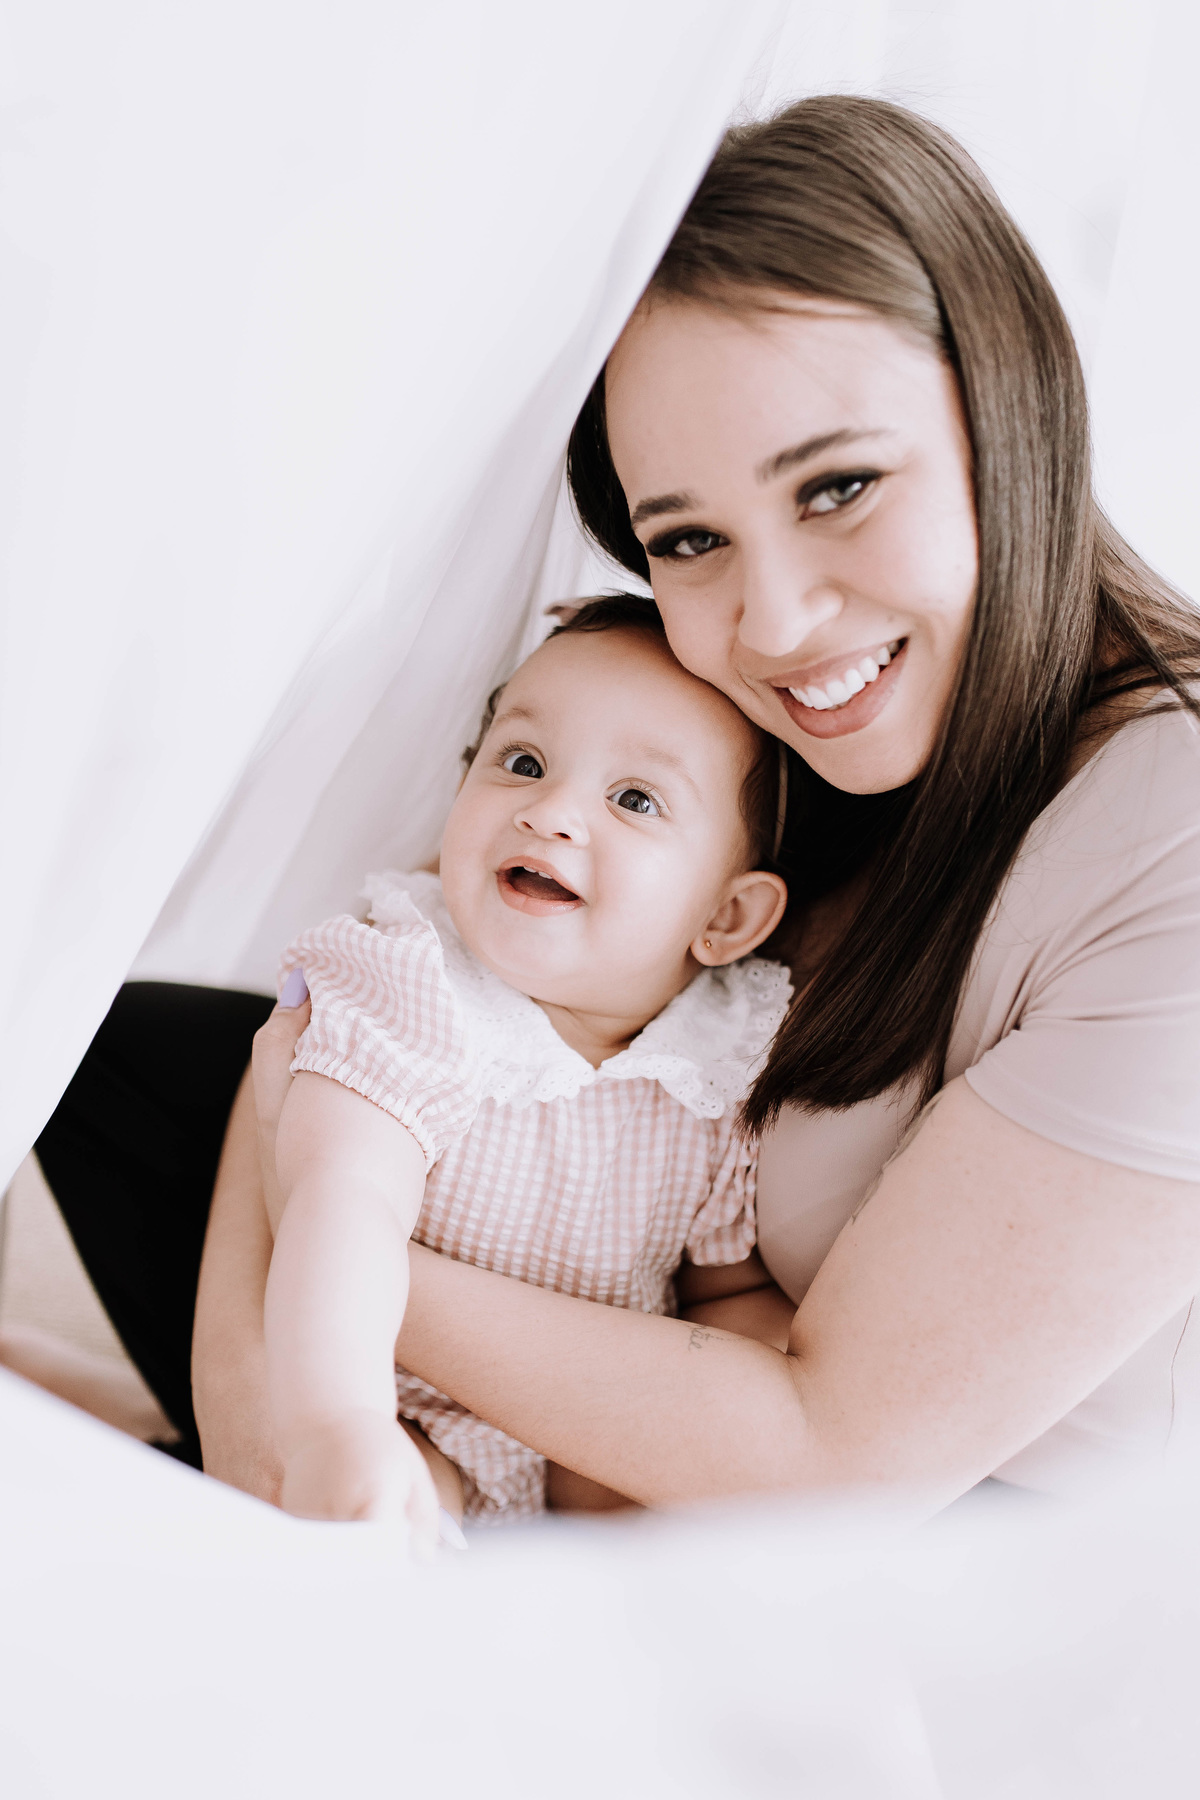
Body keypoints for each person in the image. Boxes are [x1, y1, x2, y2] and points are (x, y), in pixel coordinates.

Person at [35, 94, 1200, 1513]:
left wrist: (339, 1258)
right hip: (523, 1288)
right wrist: (281, 1420)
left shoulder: (1170, 832)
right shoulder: (800, 727)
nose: (775, 621)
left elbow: (833, 1455)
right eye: (690, 538)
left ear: (1017, 407)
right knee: (108, 1045)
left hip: (849, 1526)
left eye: (838, 486)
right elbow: (335, 1039)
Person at [257, 598, 790, 1540]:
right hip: (401, 1403)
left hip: (585, 1429)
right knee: (381, 1537)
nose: (548, 812)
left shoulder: (721, 1062)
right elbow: (344, 1200)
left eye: (635, 800)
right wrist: (337, 1423)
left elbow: (724, 1291)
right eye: (523, 762)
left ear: (726, 918)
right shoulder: (413, 986)